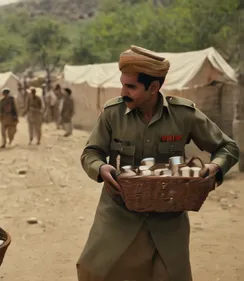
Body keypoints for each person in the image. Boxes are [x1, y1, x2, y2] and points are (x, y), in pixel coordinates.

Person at [77, 45, 239, 281]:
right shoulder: (112, 113)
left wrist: (215, 168)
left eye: (130, 86)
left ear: (153, 88)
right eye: (123, 83)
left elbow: (228, 148)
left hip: (169, 218)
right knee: (92, 271)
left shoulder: (184, 114)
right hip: (119, 212)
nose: (123, 91)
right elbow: (91, 152)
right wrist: (100, 168)